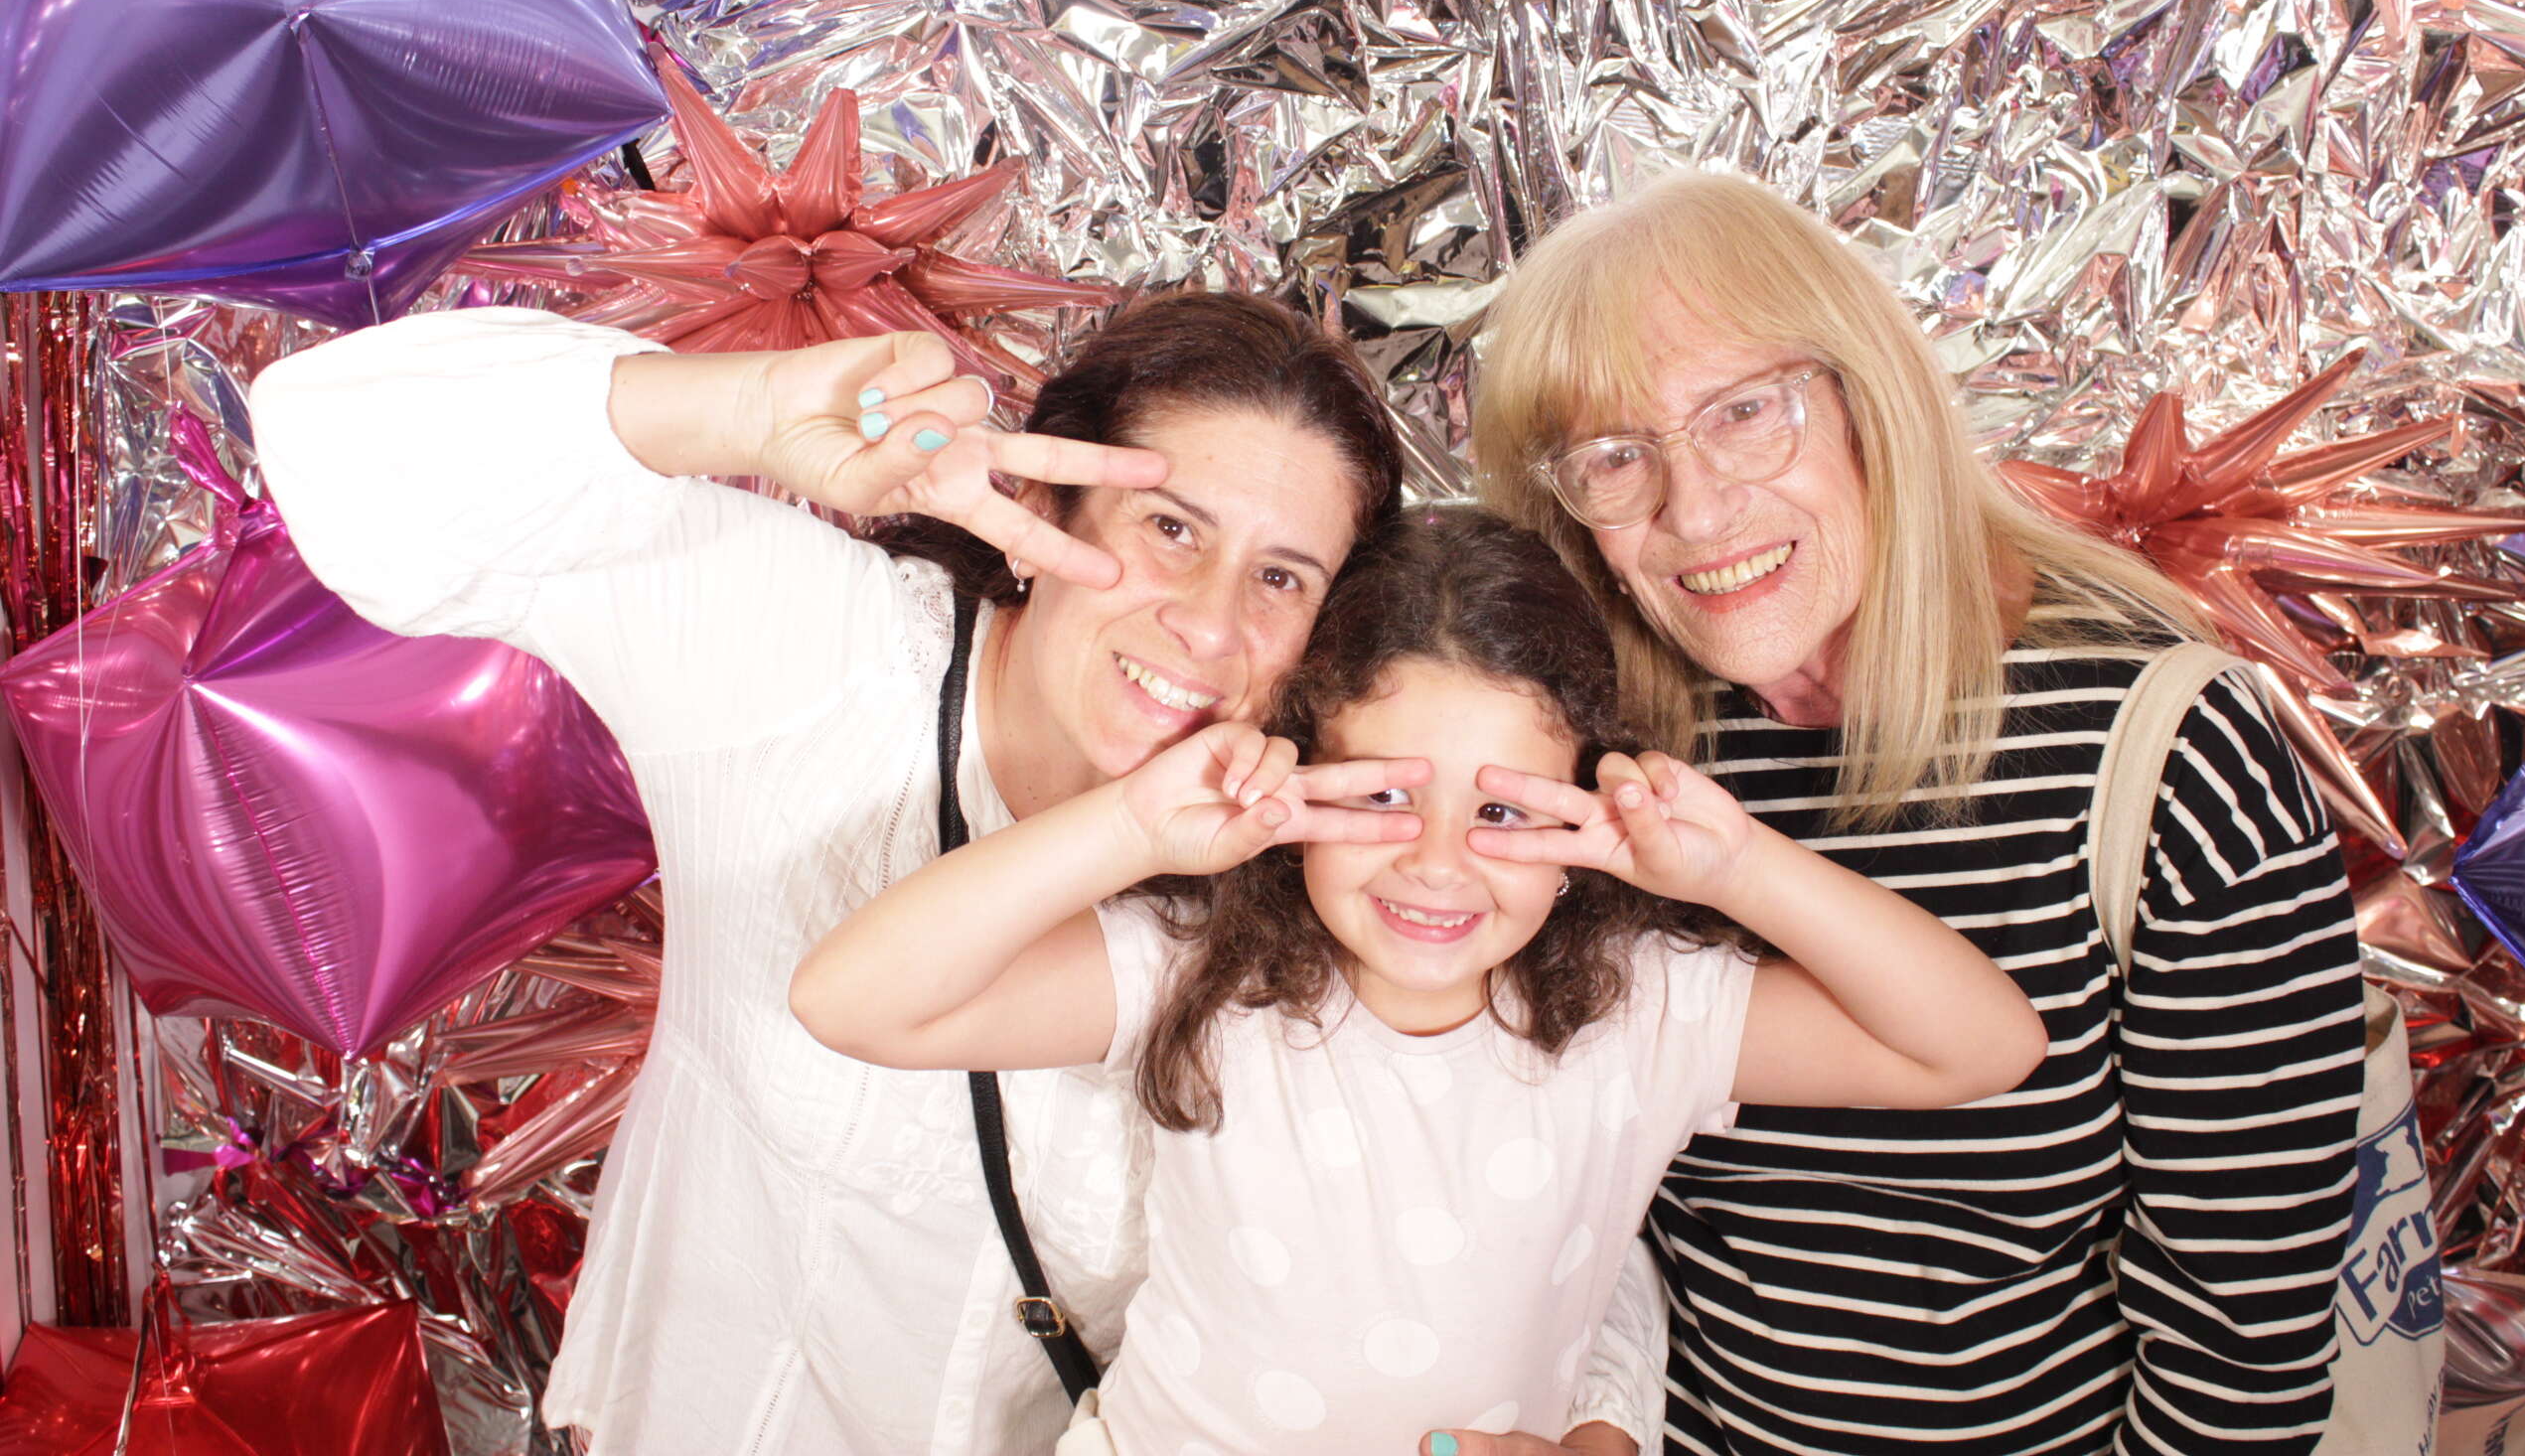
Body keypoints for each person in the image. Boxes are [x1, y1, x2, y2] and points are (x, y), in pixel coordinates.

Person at [248, 289, 1451, 1456]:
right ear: (1040, 505)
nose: (1212, 623)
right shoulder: (820, 655)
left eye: (1282, 577)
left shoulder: (1311, 885)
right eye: (1171, 528)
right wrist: (749, 409)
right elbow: (331, 449)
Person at [788, 507, 2048, 1454]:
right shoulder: (1207, 975)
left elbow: (1982, 1049)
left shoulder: (1648, 1005)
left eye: (1502, 810)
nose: (1438, 864)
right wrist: (1133, 824)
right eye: (1385, 796)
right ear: (1300, 776)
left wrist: (1742, 868)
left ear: (1587, 804)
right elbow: (852, 1001)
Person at [1472, 171, 2371, 1455]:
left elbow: (2240, 1346)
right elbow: (1570, 1192)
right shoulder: (1605, 745)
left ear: (1869, 402)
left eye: (1745, 413)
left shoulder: (2167, 752)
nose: (1697, 511)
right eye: (1616, 456)